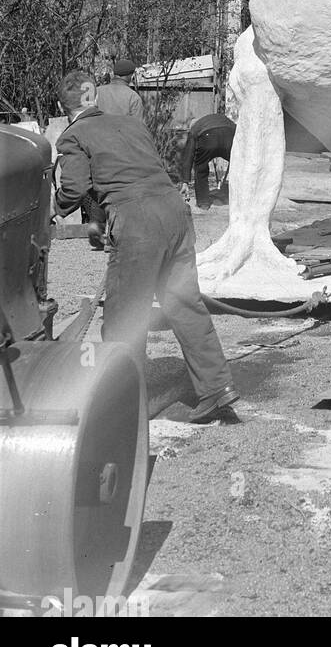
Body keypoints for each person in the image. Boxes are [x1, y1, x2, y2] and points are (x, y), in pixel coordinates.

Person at [52, 69, 236, 422]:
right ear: (91, 95)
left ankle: (123, 409)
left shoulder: (73, 136)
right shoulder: (133, 125)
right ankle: (217, 387)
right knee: (186, 305)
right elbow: (139, 169)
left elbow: (74, 189)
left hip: (138, 225)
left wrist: (51, 210)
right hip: (176, 215)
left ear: (68, 106)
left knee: (123, 317)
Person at [179, 111, 237, 210]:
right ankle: (239, 198)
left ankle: (203, 203)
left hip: (208, 138)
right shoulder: (209, 120)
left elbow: (189, 155)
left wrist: (185, 181)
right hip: (230, 134)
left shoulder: (194, 129)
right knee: (238, 164)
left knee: (200, 168)